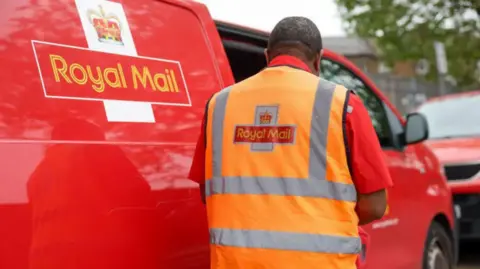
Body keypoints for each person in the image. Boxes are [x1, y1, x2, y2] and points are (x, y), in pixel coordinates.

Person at [189, 16, 392, 269]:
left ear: (267, 56)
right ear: (317, 60)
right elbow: (375, 205)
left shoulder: (218, 105)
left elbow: (209, 194)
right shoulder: (343, 105)